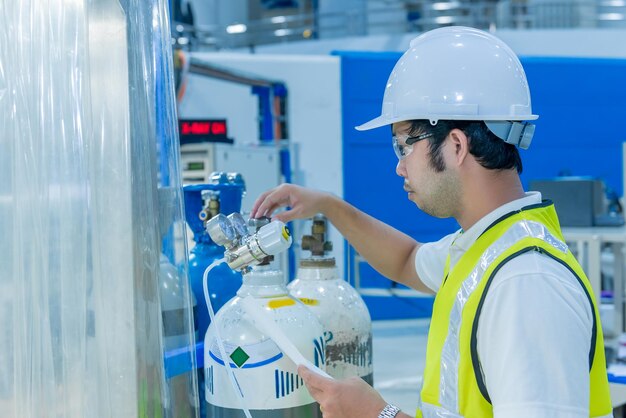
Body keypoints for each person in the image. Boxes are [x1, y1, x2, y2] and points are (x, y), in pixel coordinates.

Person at [250, 26, 612, 418]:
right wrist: (329, 206)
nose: (399, 166)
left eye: (404, 144)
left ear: (456, 145)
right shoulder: (486, 247)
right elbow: (405, 260)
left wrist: (379, 415)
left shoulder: (525, 283)